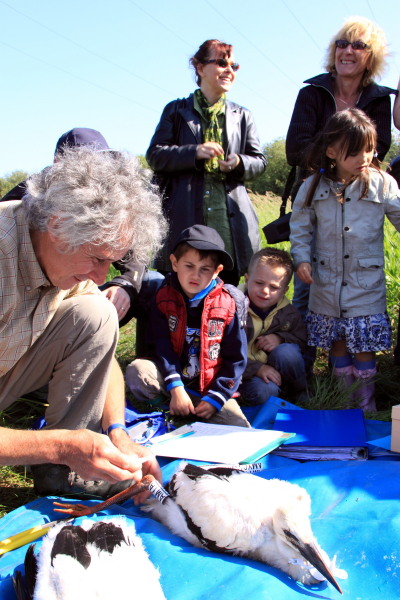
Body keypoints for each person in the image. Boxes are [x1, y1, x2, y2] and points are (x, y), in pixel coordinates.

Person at [0, 146, 167, 499]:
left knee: (98, 312)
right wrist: (60, 445)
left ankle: (63, 472)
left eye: (113, 262)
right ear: (58, 226)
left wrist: (117, 431)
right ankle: (63, 456)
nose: (102, 274)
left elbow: (103, 358)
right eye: (97, 257)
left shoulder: (65, 251)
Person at [285, 17, 397, 372]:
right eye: (342, 44)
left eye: (359, 45)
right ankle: (304, 375)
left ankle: (361, 398)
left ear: (371, 56)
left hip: (363, 249)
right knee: (312, 297)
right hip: (323, 199)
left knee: (360, 336)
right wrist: (330, 169)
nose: (348, 51)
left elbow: (379, 150)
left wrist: (352, 160)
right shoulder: (313, 92)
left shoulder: (378, 98)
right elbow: (296, 148)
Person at [1, 127, 164, 353]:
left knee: (152, 281)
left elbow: (134, 254)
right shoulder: (23, 201)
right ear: (58, 165)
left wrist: (125, 284)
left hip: (71, 298)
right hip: (23, 317)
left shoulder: (109, 204)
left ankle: (151, 359)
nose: (94, 176)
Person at [290, 108, 400, 412]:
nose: (364, 158)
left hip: (365, 284)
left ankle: (366, 403)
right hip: (326, 283)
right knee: (337, 341)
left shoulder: (382, 183)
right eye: (354, 152)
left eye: (369, 149)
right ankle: (342, 398)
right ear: (332, 152)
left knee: (364, 346)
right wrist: (301, 259)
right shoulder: (312, 186)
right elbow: (299, 228)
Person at [146, 39, 267, 286]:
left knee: (228, 300)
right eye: (222, 63)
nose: (229, 70)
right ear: (200, 68)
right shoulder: (176, 110)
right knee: (179, 302)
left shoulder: (243, 116)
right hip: (184, 222)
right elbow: (155, 155)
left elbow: (260, 162)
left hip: (230, 229)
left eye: (234, 66)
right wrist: (194, 153)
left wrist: (239, 162)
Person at [126, 225, 250, 427]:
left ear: (217, 270)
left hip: (210, 390)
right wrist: (175, 388)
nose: (196, 275)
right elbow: (160, 346)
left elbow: (236, 359)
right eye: (189, 266)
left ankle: (196, 412)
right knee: (137, 371)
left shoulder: (227, 306)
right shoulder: (164, 299)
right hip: (173, 383)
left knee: (238, 428)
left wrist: (216, 397)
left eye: (205, 269)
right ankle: (167, 410)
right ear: (174, 263)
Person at [237, 248, 307, 405]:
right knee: (265, 391)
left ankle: (298, 391)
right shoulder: (231, 308)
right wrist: (256, 369)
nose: (265, 291)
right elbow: (221, 351)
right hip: (242, 373)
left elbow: (302, 344)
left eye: (274, 287)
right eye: (259, 283)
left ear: (284, 291)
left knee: (287, 353)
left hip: (274, 366)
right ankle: (244, 398)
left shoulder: (289, 313)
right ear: (247, 279)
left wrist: (280, 338)